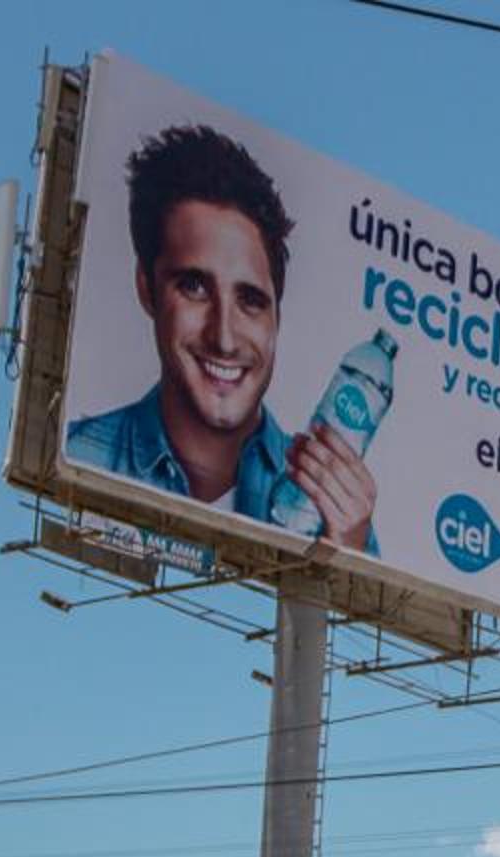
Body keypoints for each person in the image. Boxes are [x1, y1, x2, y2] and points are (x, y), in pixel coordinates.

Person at [66, 124, 376, 551]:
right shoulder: (81, 458)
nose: (225, 338)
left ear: (277, 316)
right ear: (146, 287)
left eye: (250, 299)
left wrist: (348, 555)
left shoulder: (329, 508)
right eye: (194, 287)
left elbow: (357, 610)